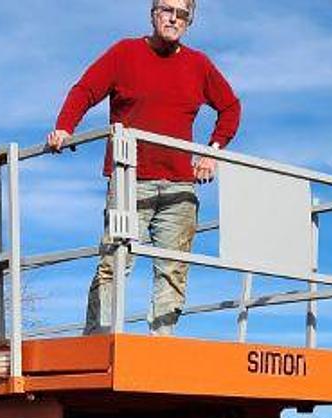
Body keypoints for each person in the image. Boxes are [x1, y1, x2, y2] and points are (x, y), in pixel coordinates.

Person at [47, 0, 241, 335]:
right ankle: (98, 340)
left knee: (174, 270)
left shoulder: (198, 64)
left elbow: (230, 107)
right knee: (114, 262)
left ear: (189, 21)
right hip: (129, 180)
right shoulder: (125, 53)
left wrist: (212, 152)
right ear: (153, 14)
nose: (173, 18)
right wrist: (65, 127)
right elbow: (85, 90)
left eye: (182, 14)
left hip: (179, 187)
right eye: (167, 9)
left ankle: (160, 349)